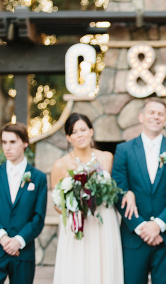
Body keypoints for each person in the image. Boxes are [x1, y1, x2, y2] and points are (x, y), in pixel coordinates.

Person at [112, 97, 166, 284]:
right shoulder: (123, 150)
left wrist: (158, 225)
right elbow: (118, 192)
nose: (156, 117)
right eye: (151, 112)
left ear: (165, 119)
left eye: (160, 114)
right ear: (141, 117)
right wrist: (143, 227)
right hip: (134, 237)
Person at [50, 113, 123, 283]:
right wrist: (75, 204)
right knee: (76, 269)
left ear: (91, 131)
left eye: (83, 129)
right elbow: (56, 203)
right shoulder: (60, 165)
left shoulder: (107, 158)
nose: (80, 134)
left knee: (104, 267)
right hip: (77, 223)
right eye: (74, 132)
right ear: (68, 138)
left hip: (103, 221)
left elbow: (116, 191)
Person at [0, 123, 47, 284]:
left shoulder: (38, 178)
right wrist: (3, 238)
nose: (7, 147)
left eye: (12, 142)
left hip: (23, 253)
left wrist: (18, 241)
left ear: (25, 143)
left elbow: (38, 218)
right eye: (4, 142)